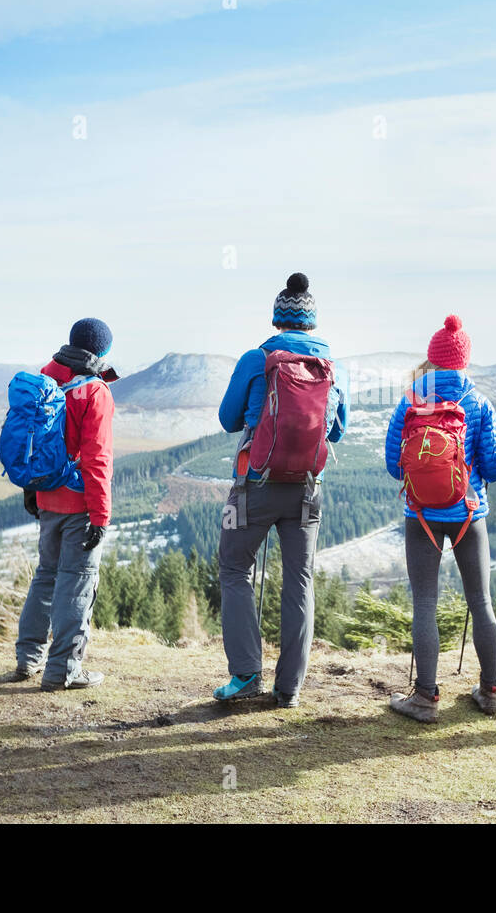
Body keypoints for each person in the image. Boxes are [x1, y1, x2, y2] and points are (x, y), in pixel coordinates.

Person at [212, 273, 348, 708]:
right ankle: (288, 688)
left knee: (235, 570)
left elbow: (229, 419)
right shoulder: (334, 366)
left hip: (255, 483)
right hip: (308, 489)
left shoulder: (257, 359)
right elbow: (339, 432)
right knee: (300, 579)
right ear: (312, 322)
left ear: (276, 320)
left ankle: (246, 673)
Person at [386, 315, 496, 723]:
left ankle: (424, 698)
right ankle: (490, 691)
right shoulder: (480, 402)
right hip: (469, 515)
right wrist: (470, 477)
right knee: (481, 601)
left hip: (420, 516)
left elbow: (391, 463)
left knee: (424, 604)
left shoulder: (409, 400)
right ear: (464, 361)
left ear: (433, 360)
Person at [14, 318, 118, 691]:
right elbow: (97, 458)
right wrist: (100, 515)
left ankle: (28, 658)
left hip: (46, 497)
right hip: (79, 502)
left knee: (46, 575)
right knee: (76, 583)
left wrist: (31, 489)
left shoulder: (46, 379)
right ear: (102, 351)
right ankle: (63, 671)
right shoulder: (94, 391)